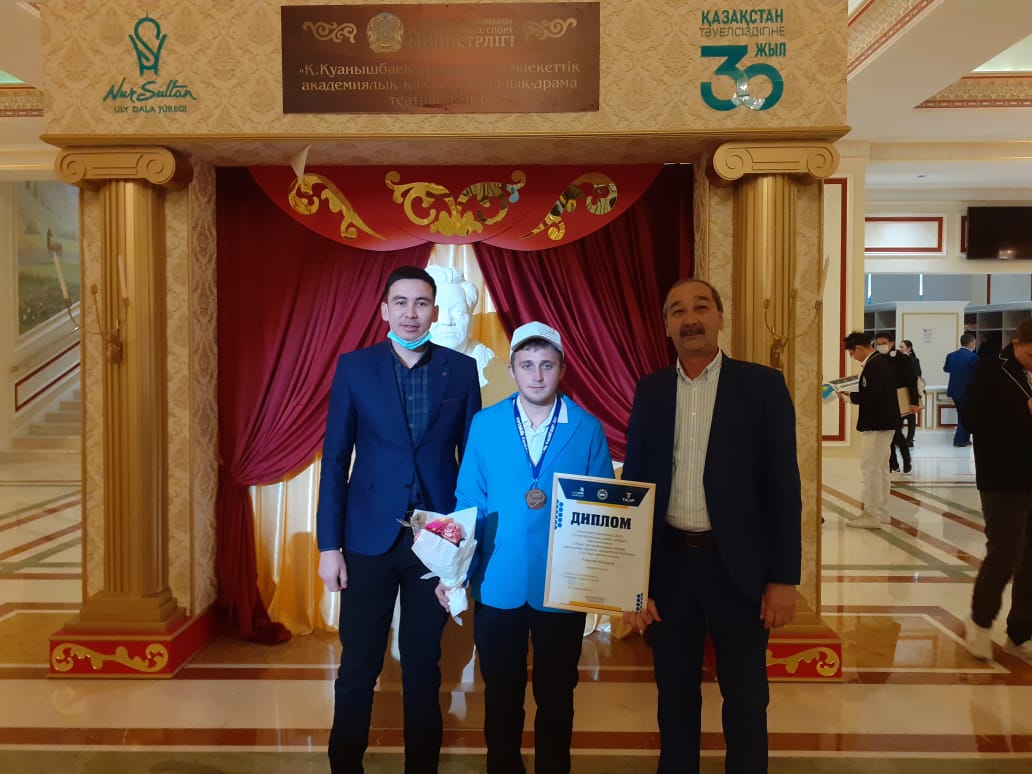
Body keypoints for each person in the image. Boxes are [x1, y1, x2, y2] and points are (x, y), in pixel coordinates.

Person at [620, 279, 801, 773]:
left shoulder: (762, 387)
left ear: (721, 317)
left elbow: (784, 489)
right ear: (666, 327)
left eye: (701, 307)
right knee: (674, 698)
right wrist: (632, 580)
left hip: (737, 569)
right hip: (670, 568)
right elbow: (635, 486)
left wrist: (783, 578)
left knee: (746, 699)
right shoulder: (651, 390)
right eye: (677, 311)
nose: (690, 318)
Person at [316, 265, 482, 774]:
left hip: (435, 543)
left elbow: (471, 464)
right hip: (366, 539)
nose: (412, 313)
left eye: (422, 303)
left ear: (434, 311)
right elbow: (335, 459)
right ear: (385, 310)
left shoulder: (460, 370)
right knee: (358, 663)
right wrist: (329, 546)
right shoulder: (354, 368)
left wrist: (462, 549)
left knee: (423, 663)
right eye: (402, 303)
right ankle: (345, 765)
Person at [441, 321, 613, 774]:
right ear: (513, 370)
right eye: (527, 365)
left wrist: (608, 581)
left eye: (547, 365)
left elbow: (604, 510)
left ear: (562, 369)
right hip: (498, 580)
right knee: (501, 696)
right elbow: (469, 502)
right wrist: (453, 572)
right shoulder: (486, 425)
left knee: (557, 696)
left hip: (563, 585)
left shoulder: (586, 428)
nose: (537, 375)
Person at [960, 318, 1032, 664]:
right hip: (1003, 478)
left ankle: (1020, 631)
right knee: (1005, 553)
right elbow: (972, 420)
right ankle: (979, 621)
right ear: (1017, 344)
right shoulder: (990, 371)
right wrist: (1022, 410)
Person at [842, 331, 900, 530]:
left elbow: (873, 395)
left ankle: (872, 514)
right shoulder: (879, 362)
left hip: (877, 423)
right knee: (881, 468)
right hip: (884, 422)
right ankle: (882, 512)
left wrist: (850, 397)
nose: (852, 357)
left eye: (851, 353)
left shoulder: (874, 365)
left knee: (871, 469)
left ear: (858, 348)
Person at [426, 264, 497, 387]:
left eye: (459, 312)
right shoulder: (404, 364)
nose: (447, 321)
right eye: (436, 311)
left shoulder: (489, 367)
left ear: (472, 322)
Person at [874, 331, 921, 474]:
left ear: (891, 343)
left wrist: (914, 402)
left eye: (884, 343)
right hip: (882, 403)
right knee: (888, 433)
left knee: (895, 433)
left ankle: (905, 459)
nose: (881, 346)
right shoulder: (876, 359)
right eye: (878, 344)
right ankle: (893, 463)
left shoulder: (903, 359)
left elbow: (912, 382)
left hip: (900, 401)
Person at [944, 333, 979, 447]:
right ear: (971, 343)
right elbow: (977, 373)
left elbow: (946, 369)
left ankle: (965, 438)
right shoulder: (973, 357)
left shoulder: (951, 355)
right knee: (965, 415)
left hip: (954, 390)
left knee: (962, 413)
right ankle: (959, 439)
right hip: (967, 391)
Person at [897, 339, 923, 446]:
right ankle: (899, 439)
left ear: (909, 348)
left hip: (911, 392)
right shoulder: (896, 360)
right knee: (899, 417)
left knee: (911, 418)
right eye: (899, 347)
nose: (900, 349)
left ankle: (910, 439)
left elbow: (918, 374)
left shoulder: (914, 360)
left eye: (902, 347)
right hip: (899, 392)